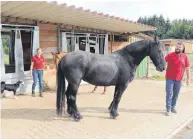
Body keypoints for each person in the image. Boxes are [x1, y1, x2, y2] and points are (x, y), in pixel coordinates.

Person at [165, 42, 190, 116]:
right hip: (169, 78)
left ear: (182, 49)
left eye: (180, 47)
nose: (178, 48)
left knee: (176, 94)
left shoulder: (185, 57)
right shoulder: (170, 55)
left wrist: (188, 78)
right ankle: (168, 109)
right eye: (177, 46)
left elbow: (187, 67)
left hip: (179, 79)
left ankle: (173, 107)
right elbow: (163, 61)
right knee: (169, 93)